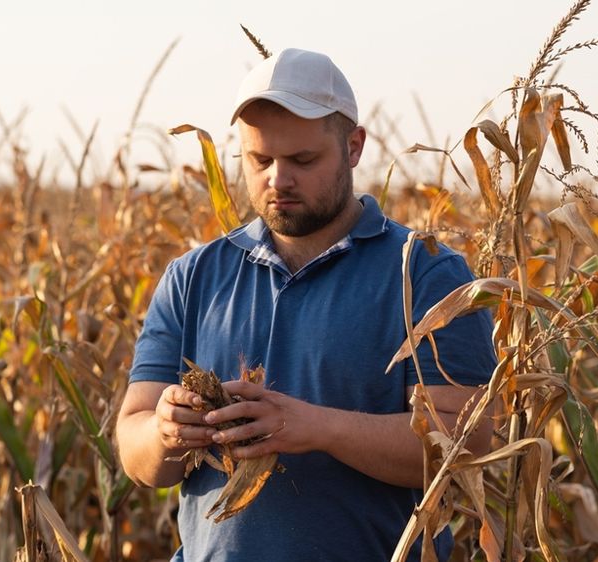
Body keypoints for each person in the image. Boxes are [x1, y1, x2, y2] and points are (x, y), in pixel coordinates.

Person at [116, 48, 497, 561]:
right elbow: (135, 447)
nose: (279, 179)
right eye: (260, 160)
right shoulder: (192, 277)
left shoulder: (424, 273)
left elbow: (467, 441)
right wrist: (164, 432)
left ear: (354, 146)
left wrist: (315, 427)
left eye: (303, 160)